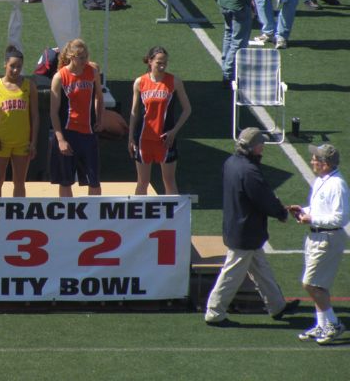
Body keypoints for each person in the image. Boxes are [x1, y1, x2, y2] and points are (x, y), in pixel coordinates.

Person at [204, 128, 300, 325]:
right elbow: (262, 197)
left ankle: (277, 306)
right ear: (254, 146)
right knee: (231, 274)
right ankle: (214, 312)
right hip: (246, 230)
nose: (263, 146)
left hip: (238, 226)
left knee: (261, 269)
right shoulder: (249, 171)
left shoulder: (231, 163)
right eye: (260, 143)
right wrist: (281, 212)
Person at [289, 144, 348, 344]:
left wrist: (312, 219)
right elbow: (320, 208)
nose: (312, 160)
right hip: (316, 237)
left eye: (315, 158)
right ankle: (322, 325)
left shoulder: (337, 185)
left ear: (325, 164)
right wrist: (304, 211)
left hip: (327, 239)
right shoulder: (322, 180)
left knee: (311, 283)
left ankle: (333, 324)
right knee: (318, 284)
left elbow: (340, 218)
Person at [128, 46, 191, 195]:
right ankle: (139, 217)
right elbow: (134, 112)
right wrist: (130, 137)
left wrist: (174, 131)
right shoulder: (140, 82)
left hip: (165, 139)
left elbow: (187, 109)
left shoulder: (174, 81)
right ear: (150, 61)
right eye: (159, 63)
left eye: (165, 63)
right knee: (142, 183)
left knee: (169, 181)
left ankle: (173, 217)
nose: (162, 66)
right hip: (143, 139)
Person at [0, 46, 39, 198]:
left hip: (22, 143)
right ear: (5, 64)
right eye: (12, 66)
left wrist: (33, 142)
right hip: (1, 142)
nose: (15, 70)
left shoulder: (29, 86)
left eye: (19, 67)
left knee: (19, 182)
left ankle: (18, 219)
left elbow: (35, 116)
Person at [49, 39, 103, 198]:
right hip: (68, 133)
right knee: (65, 181)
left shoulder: (92, 71)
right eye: (80, 57)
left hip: (88, 133)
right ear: (71, 56)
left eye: (86, 56)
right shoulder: (60, 77)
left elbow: (99, 96)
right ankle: (67, 218)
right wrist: (60, 140)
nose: (84, 60)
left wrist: (100, 117)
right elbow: (54, 112)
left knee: (94, 180)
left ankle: (94, 218)